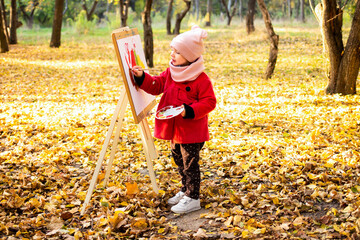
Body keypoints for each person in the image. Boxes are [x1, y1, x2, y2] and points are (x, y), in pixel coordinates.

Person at [131, 25, 216, 214]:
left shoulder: (201, 79)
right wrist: (142, 77)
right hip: (175, 130)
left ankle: (193, 197)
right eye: (172, 50)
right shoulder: (171, 72)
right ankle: (185, 190)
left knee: (190, 163)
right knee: (178, 159)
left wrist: (190, 110)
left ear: (191, 55)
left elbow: (209, 102)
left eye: (178, 52)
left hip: (191, 131)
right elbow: (156, 85)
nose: (173, 54)